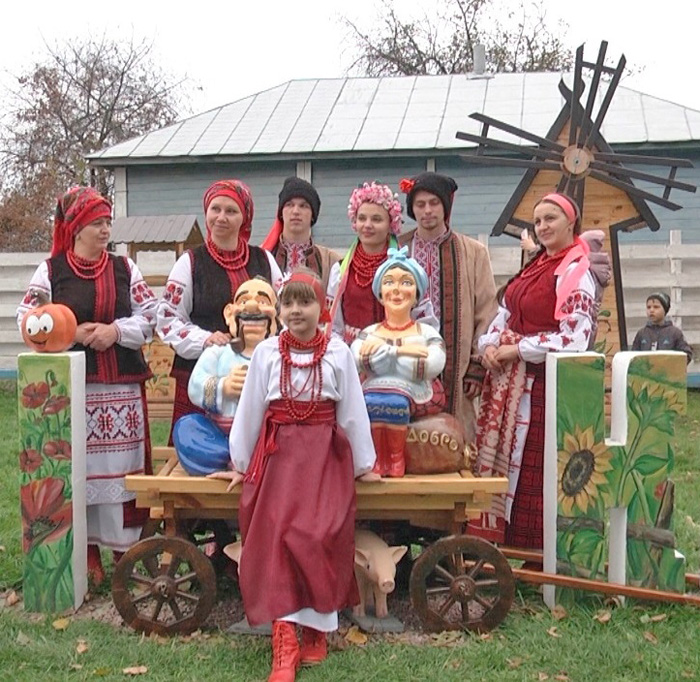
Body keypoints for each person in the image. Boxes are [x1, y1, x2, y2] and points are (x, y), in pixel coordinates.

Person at [208, 270, 378, 682]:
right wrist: (243, 463)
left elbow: (352, 411)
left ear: (322, 308)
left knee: (320, 534)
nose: (297, 311)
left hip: (324, 460)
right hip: (279, 457)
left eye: (306, 303)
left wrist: (362, 464)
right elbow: (250, 411)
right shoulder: (267, 353)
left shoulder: (337, 353)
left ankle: (317, 627)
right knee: (280, 535)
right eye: (289, 303)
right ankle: (284, 639)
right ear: (279, 310)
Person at [17, 186, 157, 585]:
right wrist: (70, 331)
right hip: (74, 392)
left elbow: (151, 316)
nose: (105, 230)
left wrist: (115, 331)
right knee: (80, 469)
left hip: (120, 389)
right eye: (97, 223)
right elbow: (26, 316)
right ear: (77, 227)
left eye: (108, 222)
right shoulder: (51, 271)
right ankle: (86, 551)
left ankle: (124, 552)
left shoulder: (125, 269)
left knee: (120, 471)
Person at [469, 192, 597, 550]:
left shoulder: (575, 270)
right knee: (513, 464)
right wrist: (491, 345)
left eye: (551, 218)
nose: (542, 227)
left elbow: (576, 336)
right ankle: (501, 545)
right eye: (538, 220)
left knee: (534, 468)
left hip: (545, 386)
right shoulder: (538, 264)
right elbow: (506, 312)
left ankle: (539, 553)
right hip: (513, 383)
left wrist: (518, 349)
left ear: (571, 222)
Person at [157, 180, 282, 443]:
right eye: (215, 209)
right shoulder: (190, 263)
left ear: (244, 218)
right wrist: (205, 339)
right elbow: (168, 318)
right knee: (201, 447)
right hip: (202, 373)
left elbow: (282, 311)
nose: (221, 217)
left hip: (256, 371)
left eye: (231, 211)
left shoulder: (265, 260)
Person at [398, 172, 498, 442]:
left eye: (434, 203)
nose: (427, 210)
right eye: (420, 204)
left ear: (445, 207)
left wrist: (477, 368)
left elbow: (487, 312)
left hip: (458, 367)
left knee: (457, 440)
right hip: (404, 362)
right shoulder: (397, 249)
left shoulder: (473, 252)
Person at [351, 247, 446, 477]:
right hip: (372, 389)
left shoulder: (426, 331)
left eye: (406, 283)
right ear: (380, 293)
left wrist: (385, 352)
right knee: (370, 402)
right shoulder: (370, 331)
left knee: (394, 402)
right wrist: (406, 351)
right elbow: (356, 357)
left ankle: (395, 457)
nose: (397, 290)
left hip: (414, 391)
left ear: (416, 295)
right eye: (389, 283)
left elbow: (435, 361)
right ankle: (374, 457)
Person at [173, 277, 279, 475]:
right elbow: (196, 385)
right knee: (186, 428)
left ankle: (257, 458)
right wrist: (223, 387)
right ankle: (235, 459)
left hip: (266, 433)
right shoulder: (219, 352)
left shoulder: (279, 355)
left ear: (276, 315)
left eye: (263, 302)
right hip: (222, 434)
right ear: (230, 314)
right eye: (244, 301)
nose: (253, 307)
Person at [327, 181, 436, 344]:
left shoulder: (406, 268)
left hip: (398, 354)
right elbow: (333, 325)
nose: (367, 225)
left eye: (377, 219)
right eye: (362, 218)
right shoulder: (341, 270)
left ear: (391, 225)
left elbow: (424, 319)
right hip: (352, 357)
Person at [260, 176, 339, 293]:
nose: (296, 211)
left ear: (313, 215)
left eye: (303, 206)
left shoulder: (330, 261)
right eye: (289, 205)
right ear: (281, 212)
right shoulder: (263, 257)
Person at [632, 292, 693, 363]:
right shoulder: (641, 333)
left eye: (656, 307)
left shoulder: (675, 333)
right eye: (648, 307)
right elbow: (633, 357)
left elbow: (686, 355)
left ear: (665, 310)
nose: (651, 310)